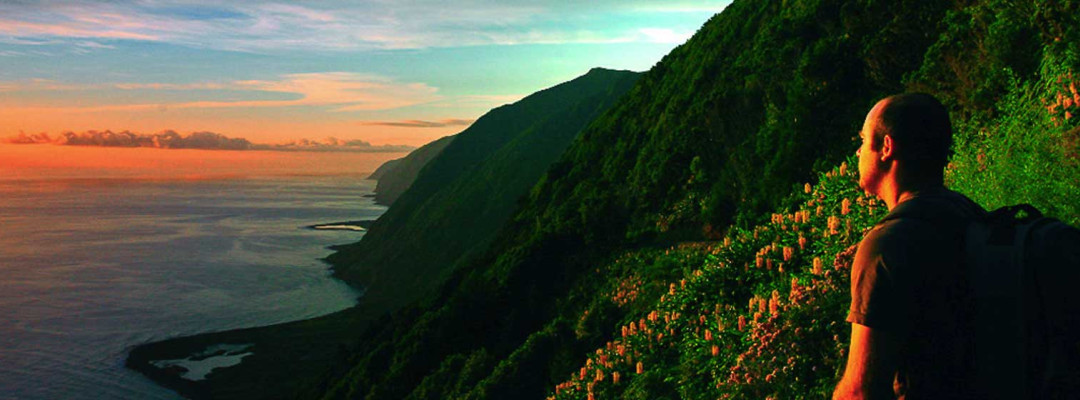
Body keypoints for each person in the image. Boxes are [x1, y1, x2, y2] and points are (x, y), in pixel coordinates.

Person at [833, 93, 986, 399]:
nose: (858, 151)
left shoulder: (887, 247)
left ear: (886, 148)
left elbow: (861, 392)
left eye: (864, 141)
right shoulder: (969, 214)